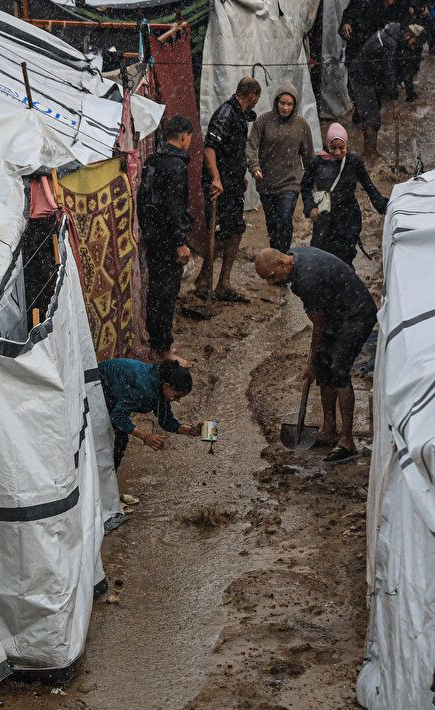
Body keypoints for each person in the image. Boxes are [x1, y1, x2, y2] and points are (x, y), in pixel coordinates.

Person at [254, 246, 377, 463]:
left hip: (356, 314)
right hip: (337, 313)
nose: (270, 283)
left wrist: (311, 363)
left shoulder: (305, 279)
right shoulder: (294, 257)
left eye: (271, 277)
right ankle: (329, 430)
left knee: (338, 369)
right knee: (325, 367)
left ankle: (347, 441)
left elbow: (318, 326)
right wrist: (318, 362)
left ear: (282, 264)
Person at [137, 115, 195, 366]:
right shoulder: (175, 166)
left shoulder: (153, 161)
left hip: (153, 239)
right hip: (167, 241)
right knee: (166, 293)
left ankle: (156, 343)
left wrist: (151, 233)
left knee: (156, 291)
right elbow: (174, 207)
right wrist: (179, 241)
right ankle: (164, 350)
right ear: (183, 136)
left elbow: (144, 202)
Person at [197, 77, 261, 303]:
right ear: (253, 96)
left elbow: (232, 151)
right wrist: (216, 178)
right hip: (219, 186)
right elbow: (209, 149)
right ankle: (207, 281)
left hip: (231, 184)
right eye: (256, 99)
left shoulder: (239, 115)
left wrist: (239, 175)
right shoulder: (225, 114)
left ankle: (219, 282)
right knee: (223, 234)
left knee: (233, 231)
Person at [300, 123, 388, 265]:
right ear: (327, 145)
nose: (337, 152)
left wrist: (382, 205)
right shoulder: (317, 162)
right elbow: (305, 186)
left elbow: (368, 185)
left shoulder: (353, 162)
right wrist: (310, 207)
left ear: (347, 145)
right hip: (325, 217)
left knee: (345, 258)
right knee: (320, 255)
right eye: (333, 147)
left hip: (348, 217)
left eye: (341, 148)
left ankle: (343, 284)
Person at [245, 81, 314, 254]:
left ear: (295, 105)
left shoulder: (301, 125)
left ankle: (283, 257)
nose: (285, 107)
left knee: (284, 219)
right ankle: (276, 256)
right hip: (266, 181)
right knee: (272, 222)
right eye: (282, 103)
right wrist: (254, 168)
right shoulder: (263, 121)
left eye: (289, 104)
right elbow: (251, 147)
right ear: (276, 102)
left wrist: (313, 182)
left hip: (290, 182)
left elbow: (308, 155)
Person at [98, 358, 203, 470]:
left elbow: (166, 420)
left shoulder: (161, 384)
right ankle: (104, 478)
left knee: (119, 440)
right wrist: (145, 437)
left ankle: (107, 477)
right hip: (98, 386)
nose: (177, 400)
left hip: (113, 388)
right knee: (116, 440)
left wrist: (192, 431)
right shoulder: (145, 389)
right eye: (177, 396)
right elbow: (117, 416)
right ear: (168, 386)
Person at [347, 22, 425, 160]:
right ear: (408, 35)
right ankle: (369, 155)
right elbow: (389, 71)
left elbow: (392, 68)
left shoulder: (394, 35)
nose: (412, 47)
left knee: (373, 114)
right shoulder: (390, 43)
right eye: (413, 43)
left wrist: (397, 82)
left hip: (371, 75)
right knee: (372, 118)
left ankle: (370, 151)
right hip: (361, 77)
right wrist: (395, 102)